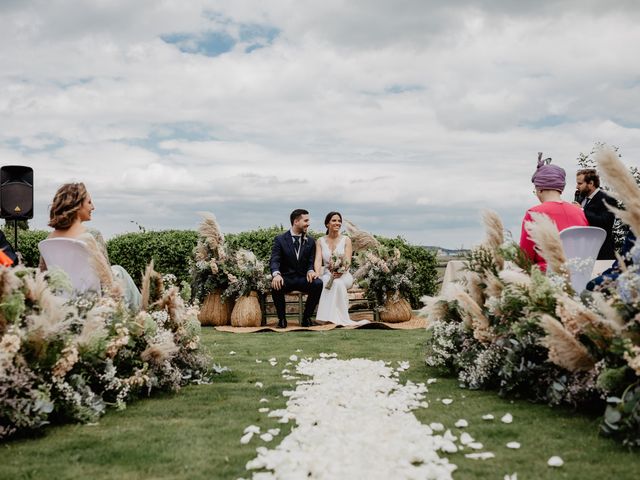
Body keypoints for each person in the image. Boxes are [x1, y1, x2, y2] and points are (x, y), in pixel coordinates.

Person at [40, 182, 141, 311]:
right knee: (120, 271)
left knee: (118, 270)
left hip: (62, 302)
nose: (93, 207)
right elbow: (107, 279)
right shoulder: (91, 235)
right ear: (77, 205)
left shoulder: (48, 240)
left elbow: (43, 278)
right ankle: (142, 317)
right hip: (94, 301)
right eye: (89, 202)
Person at [520, 154, 588, 270]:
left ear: (539, 188)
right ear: (561, 188)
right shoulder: (580, 213)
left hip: (545, 280)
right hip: (578, 276)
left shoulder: (534, 214)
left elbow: (524, 259)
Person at [269, 209, 323, 328]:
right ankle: (282, 319)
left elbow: (310, 261)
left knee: (318, 284)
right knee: (275, 285)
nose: (308, 223)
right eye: (306, 220)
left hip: (303, 279)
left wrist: (310, 270)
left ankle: (306, 318)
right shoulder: (280, 240)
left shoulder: (310, 241)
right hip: (286, 278)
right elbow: (275, 260)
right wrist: (276, 274)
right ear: (296, 221)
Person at [314, 212, 369, 326]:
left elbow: (347, 260)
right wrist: (317, 273)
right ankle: (328, 317)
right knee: (325, 281)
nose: (337, 223)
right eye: (334, 220)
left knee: (338, 283)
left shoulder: (346, 239)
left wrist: (340, 271)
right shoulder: (320, 241)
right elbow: (318, 260)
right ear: (327, 224)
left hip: (344, 275)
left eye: (339, 221)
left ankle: (337, 318)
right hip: (327, 274)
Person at [573, 168, 617, 260]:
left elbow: (606, 222)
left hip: (601, 251)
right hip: (582, 251)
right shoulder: (581, 197)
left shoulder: (608, 198)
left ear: (591, 183)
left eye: (580, 183)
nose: (577, 186)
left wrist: (581, 210)